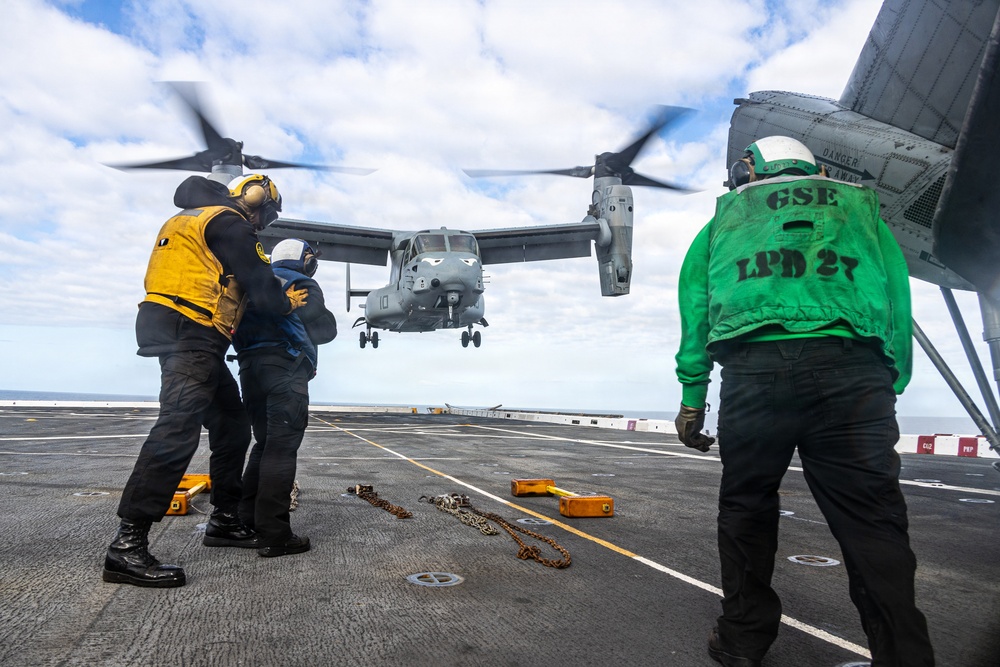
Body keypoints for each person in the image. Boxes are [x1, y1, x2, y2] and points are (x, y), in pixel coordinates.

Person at [674, 136, 934, 667]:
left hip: (754, 375)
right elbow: (896, 298)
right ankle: (904, 656)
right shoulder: (860, 211)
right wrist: (892, 381)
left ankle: (742, 641)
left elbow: (695, 309)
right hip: (853, 373)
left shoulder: (724, 219)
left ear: (750, 168)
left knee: (746, 507)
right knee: (872, 520)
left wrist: (692, 398)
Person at [103, 173, 307, 588]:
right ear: (254, 198)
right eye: (267, 214)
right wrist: (286, 303)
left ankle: (225, 520)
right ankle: (126, 546)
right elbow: (262, 287)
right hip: (192, 332)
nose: (264, 223)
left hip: (183, 331)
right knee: (176, 430)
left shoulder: (191, 218)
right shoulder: (231, 223)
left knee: (233, 425)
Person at [232, 238, 337, 558]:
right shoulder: (301, 283)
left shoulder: (253, 282)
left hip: (249, 372)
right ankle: (275, 534)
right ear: (305, 260)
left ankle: (246, 521)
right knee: (281, 450)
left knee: (263, 445)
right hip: (285, 371)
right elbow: (325, 330)